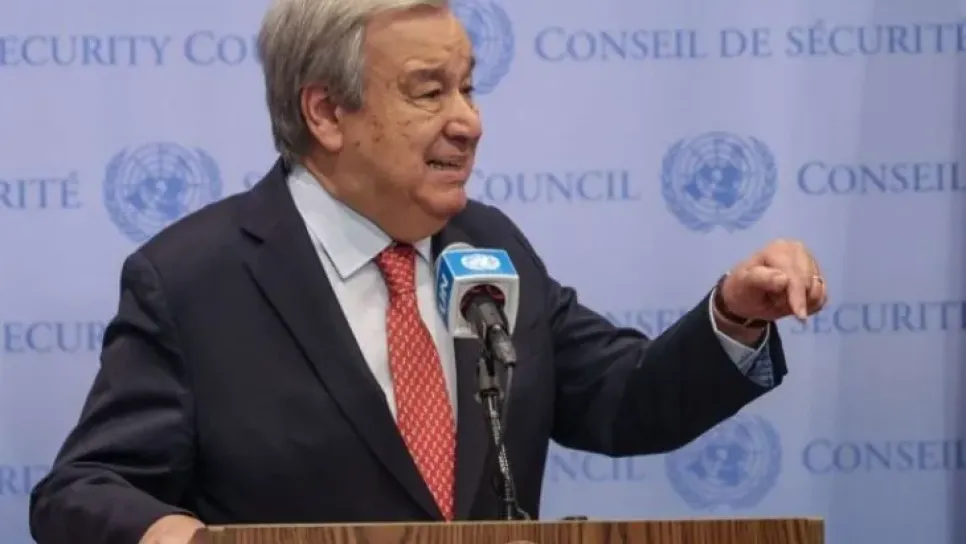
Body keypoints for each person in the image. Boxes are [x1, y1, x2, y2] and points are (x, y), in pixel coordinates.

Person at [28, 0, 828, 543]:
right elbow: (83, 488)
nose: (468, 121)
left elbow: (625, 402)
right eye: (429, 92)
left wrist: (732, 315)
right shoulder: (195, 278)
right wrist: (173, 536)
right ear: (325, 112)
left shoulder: (490, 246)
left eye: (469, 88)